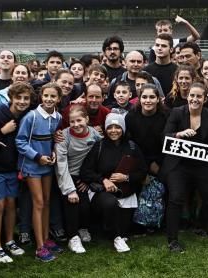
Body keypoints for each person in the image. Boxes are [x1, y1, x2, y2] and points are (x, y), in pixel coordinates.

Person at [162, 83, 208, 252]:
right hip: (178, 164)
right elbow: (164, 137)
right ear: (187, 96)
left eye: (199, 96)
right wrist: (179, 134)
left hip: (201, 164)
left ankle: (200, 226)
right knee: (176, 198)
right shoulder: (177, 113)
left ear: (205, 99)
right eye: (192, 95)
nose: (194, 99)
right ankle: (172, 240)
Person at [79, 113, 146, 253]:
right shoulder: (99, 146)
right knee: (110, 204)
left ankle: (115, 233)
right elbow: (85, 171)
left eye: (117, 127)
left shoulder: (132, 146)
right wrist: (103, 180)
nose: (113, 130)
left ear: (123, 128)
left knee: (123, 230)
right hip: (103, 192)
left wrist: (126, 177)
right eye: (110, 127)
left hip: (125, 191)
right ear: (105, 129)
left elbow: (142, 171)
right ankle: (116, 239)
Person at [0, 81, 32, 264]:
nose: (22, 101)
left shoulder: (27, 116)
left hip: (13, 169)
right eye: (19, 98)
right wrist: (3, 131)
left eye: (26, 98)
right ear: (11, 98)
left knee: (11, 205)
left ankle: (9, 241)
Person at [16, 83, 63, 262]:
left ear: (58, 98)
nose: (49, 99)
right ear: (41, 96)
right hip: (32, 165)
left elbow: (54, 140)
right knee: (38, 203)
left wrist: (53, 152)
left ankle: (46, 238)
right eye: (46, 96)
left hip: (48, 164)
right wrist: (37, 157)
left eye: (53, 96)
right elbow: (20, 142)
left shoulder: (58, 116)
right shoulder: (31, 116)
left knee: (47, 201)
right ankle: (39, 247)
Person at [55, 106, 103, 254]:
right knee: (72, 203)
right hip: (68, 175)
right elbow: (61, 164)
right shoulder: (64, 137)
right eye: (72, 121)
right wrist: (70, 190)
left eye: (79, 120)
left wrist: (88, 180)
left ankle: (83, 229)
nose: (76, 124)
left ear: (87, 119)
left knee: (85, 206)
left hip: (85, 176)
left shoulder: (95, 135)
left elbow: (101, 155)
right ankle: (73, 237)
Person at [144, 33, 179, 98]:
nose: (159, 48)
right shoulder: (145, 71)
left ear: (171, 49)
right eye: (157, 45)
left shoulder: (178, 70)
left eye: (163, 46)